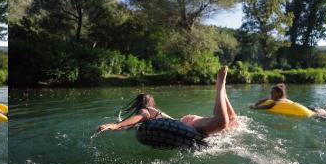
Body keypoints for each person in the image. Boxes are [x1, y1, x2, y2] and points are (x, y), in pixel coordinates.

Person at [97, 66, 238, 135]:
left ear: (141, 105)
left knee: (221, 122)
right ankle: (223, 93)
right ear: (152, 102)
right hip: (188, 121)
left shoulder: (146, 111)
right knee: (233, 121)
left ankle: (220, 86)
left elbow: (140, 117)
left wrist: (115, 125)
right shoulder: (153, 111)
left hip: (187, 123)